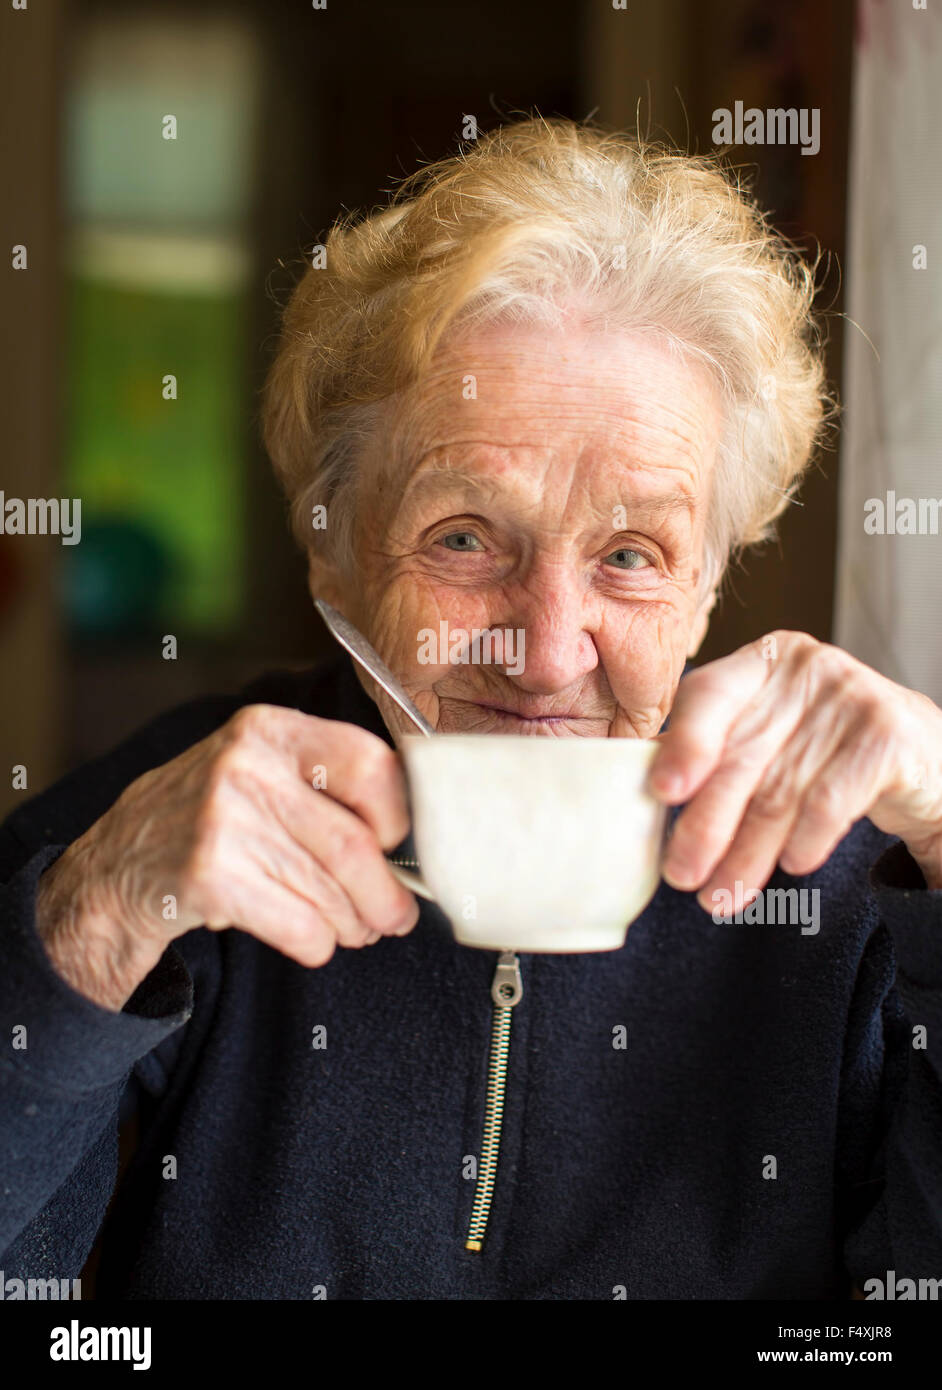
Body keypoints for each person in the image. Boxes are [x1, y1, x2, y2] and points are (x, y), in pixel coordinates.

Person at [2, 117, 940, 1300]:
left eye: (634, 554)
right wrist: (90, 922)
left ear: (709, 586)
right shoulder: (173, 822)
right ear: (333, 562)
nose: (546, 654)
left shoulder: (855, 881)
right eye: (463, 536)